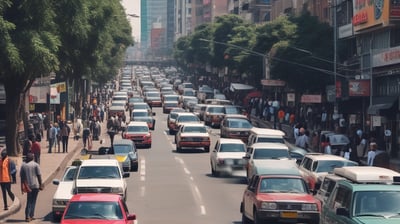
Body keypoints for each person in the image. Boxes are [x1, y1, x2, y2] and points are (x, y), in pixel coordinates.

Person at [20, 153, 43, 222]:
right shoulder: (36, 165)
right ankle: (30, 215)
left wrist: (22, 187)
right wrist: (41, 185)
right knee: (33, 201)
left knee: (29, 201)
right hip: (35, 185)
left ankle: (28, 216)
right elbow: (39, 176)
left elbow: (22, 178)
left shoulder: (23, 166)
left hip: (28, 186)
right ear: (32, 158)